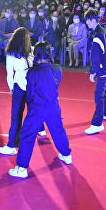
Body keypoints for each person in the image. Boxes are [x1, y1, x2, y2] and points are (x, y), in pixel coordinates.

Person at [8, 41, 72, 178]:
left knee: (26, 135)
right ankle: (66, 154)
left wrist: (31, 107)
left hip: (37, 107)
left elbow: (30, 93)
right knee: (58, 130)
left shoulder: (32, 72)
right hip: (54, 105)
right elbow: (56, 84)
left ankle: (22, 168)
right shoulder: (57, 68)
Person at [0, 28, 46, 155]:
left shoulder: (11, 53)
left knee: (16, 116)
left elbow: (9, 73)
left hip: (20, 86)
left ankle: (11, 145)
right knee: (33, 110)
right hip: (33, 87)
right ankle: (41, 129)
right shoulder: (31, 50)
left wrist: (10, 87)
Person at [84, 9, 106, 135]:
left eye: (87, 20)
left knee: (98, 94)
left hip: (104, 68)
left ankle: (97, 124)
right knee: (105, 90)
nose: (86, 23)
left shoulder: (97, 36)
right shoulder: (105, 31)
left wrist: (93, 72)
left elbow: (95, 58)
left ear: (93, 20)